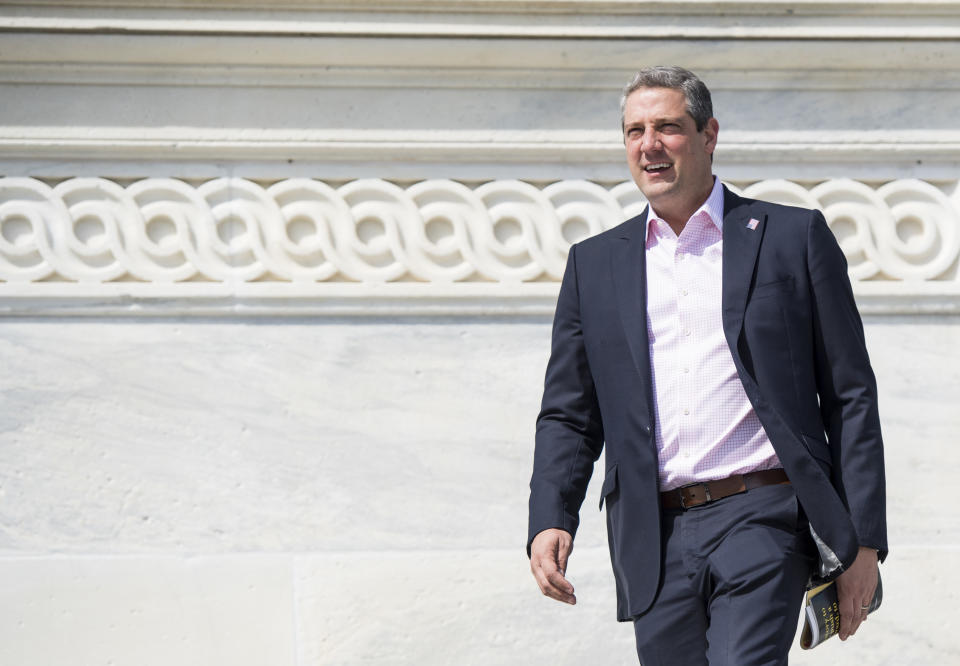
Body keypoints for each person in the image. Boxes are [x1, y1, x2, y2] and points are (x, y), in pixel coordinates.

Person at [526, 66, 887, 665]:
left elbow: (850, 394)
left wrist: (864, 544)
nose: (649, 145)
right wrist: (550, 516)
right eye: (635, 131)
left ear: (709, 134)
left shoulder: (791, 237)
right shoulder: (594, 265)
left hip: (762, 514)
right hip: (653, 531)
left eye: (668, 127)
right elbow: (569, 412)